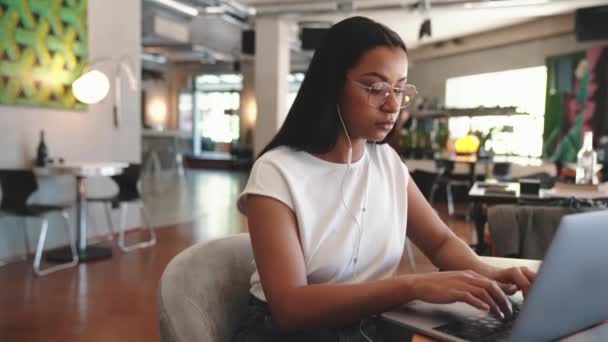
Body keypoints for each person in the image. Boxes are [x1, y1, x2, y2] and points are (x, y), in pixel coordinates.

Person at [233, 16, 536, 342]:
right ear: (332, 84)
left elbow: (440, 242)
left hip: (371, 325)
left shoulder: (387, 162)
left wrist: (488, 273)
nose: (393, 104)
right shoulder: (276, 172)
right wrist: (413, 285)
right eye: (376, 87)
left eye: (399, 88)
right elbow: (291, 307)